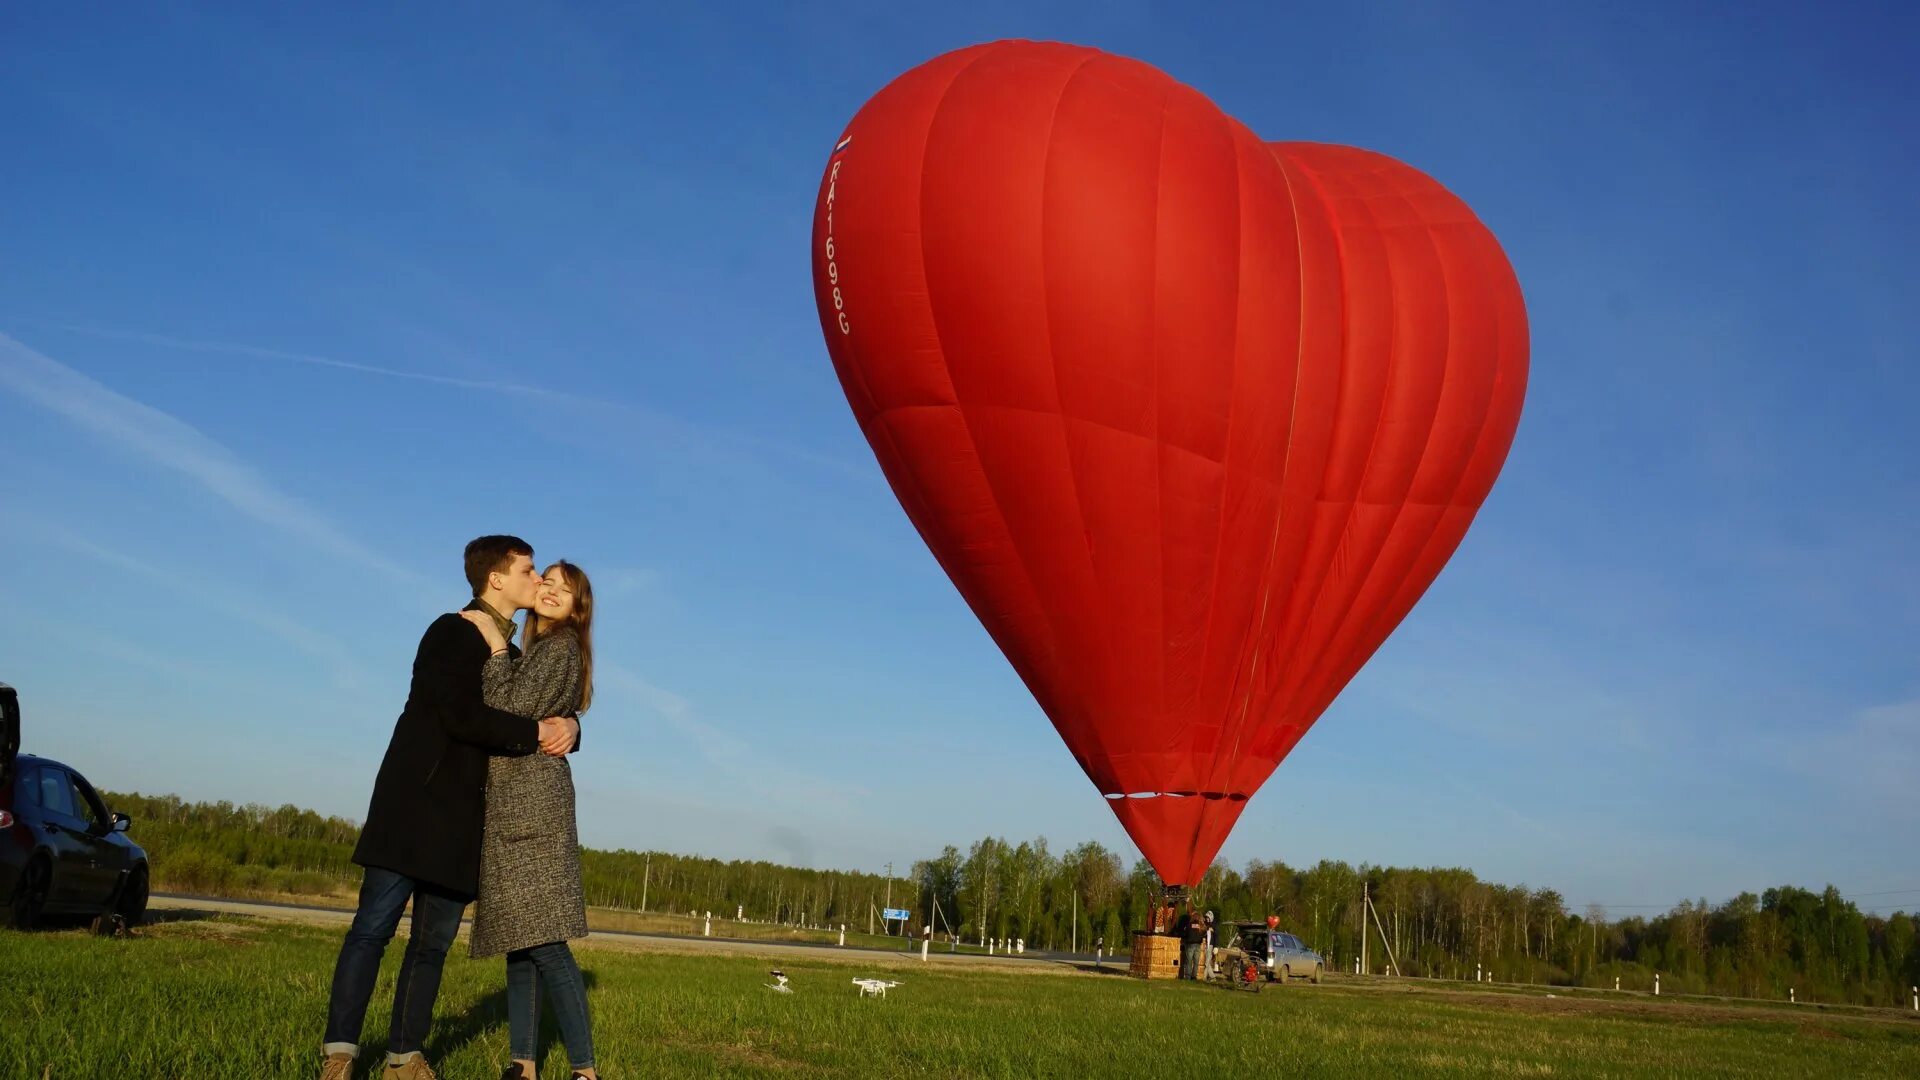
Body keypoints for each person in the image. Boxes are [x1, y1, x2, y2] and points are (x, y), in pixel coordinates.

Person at [319, 536, 579, 1080]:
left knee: (431, 947)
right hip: (414, 807)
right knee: (372, 929)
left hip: (465, 823)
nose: (540, 581)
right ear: (497, 579)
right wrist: (536, 732)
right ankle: (340, 1054)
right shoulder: (451, 630)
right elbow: (462, 715)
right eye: (531, 571)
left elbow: (537, 698)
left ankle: (404, 1056)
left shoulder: (513, 654)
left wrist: (573, 730)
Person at [463, 561, 598, 1080]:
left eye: (566, 590)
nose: (552, 591)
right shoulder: (542, 650)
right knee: (520, 943)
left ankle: (585, 1072)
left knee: (545, 941)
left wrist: (495, 650)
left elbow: (506, 707)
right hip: (517, 805)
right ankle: (524, 1064)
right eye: (549, 581)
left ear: (576, 608)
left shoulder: (560, 647)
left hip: (532, 810)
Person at [1177, 908, 1207, 979]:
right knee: (1196, 962)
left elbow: (1186, 933)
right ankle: (1194, 976)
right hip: (1198, 945)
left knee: (1189, 961)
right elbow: (1204, 933)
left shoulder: (1190, 924)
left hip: (1190, 944)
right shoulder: (1201, 925)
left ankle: (1188, 976)